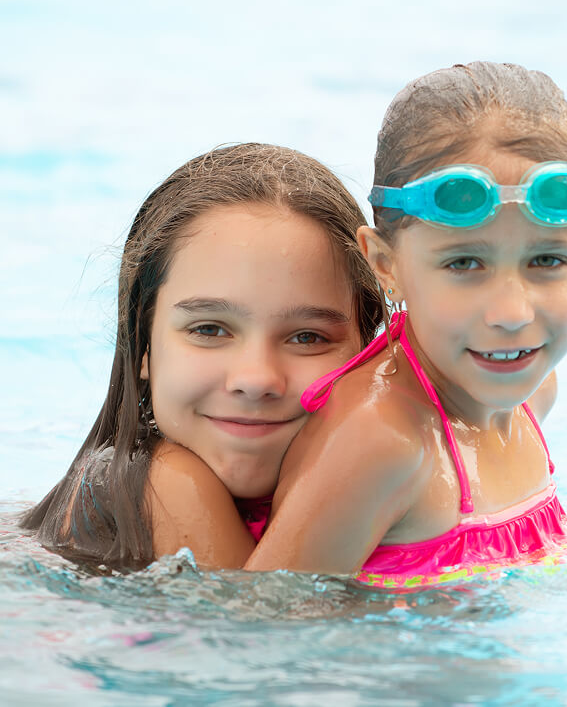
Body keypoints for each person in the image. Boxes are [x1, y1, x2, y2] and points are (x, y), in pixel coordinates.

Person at [246, 62, 567, 587]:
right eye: (463, 264)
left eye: (549, 260)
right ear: (385, 265)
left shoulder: (531, 396)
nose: (512, 314)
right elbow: (254, 633)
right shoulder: (383, 442)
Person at [19, 143, 382, 569]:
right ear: (144, 346)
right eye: (209, 330)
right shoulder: (167, 483)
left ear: (370, 349)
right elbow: (258, 631)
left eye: (307, 337)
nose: (257, 378)